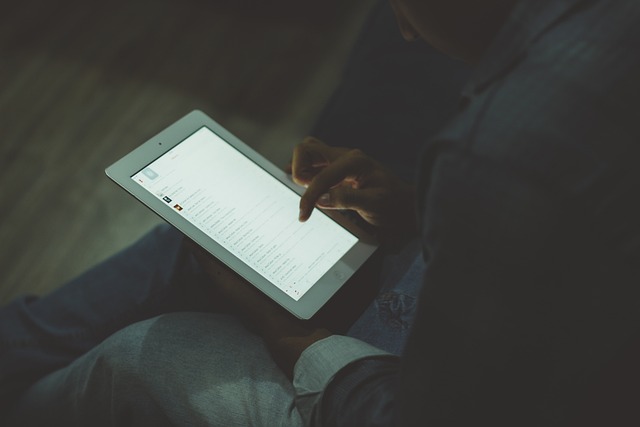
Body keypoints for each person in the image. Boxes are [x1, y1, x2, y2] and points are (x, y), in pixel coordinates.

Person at [2, 0, 640, 425]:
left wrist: (297, 340)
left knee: (141, 355)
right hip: (459, 291)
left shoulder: (502, 151)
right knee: (200, 238)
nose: (404, 28)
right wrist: (416, 213)